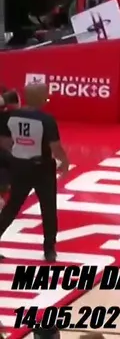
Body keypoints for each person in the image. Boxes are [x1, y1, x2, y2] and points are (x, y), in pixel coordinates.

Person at [0, 83, 68, 262]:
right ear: (41, 98)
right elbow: (55, 147)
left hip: (19, 166)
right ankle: (49, 250)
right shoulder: (46, 120)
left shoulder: (10, 116)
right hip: (42, 168)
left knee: (12, 206)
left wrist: (16, 150)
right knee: (48, 208)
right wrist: (65, 162)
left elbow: (3, 140)